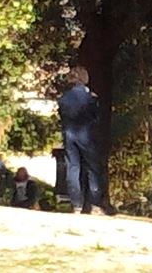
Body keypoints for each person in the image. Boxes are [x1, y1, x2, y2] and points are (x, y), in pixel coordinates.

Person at [58, 65, 108, 215]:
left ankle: (76, 204)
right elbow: (96, 116)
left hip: (69, 134)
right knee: (93, 168)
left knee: (73, 167)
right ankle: (94, 203)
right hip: (86, 135)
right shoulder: (90, 98)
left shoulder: (63, 99)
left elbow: (62, 116)